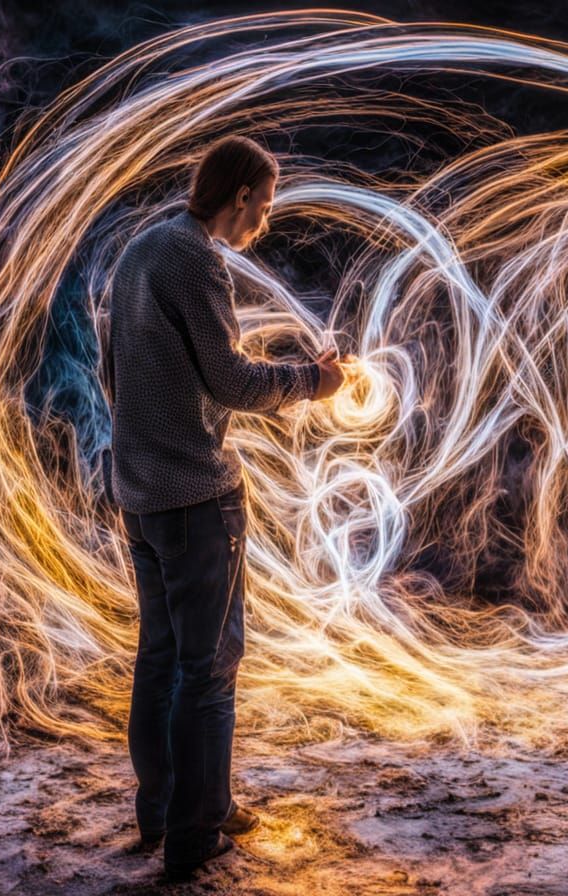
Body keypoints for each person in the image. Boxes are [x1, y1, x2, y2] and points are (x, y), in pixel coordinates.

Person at [106, 135, 344, 878]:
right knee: (209, 670)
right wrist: (314, 380)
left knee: (159, 656)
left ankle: (164, 808)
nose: (264, 223)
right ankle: (196, 831)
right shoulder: (197, 259)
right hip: (194, 499)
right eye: (265, 205)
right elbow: (234, 382)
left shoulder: (142, 250)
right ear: (240, 194)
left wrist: (155, 435)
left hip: (139, 494)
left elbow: (113, 370)